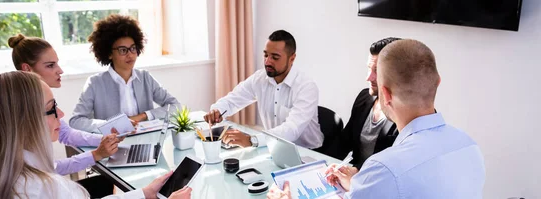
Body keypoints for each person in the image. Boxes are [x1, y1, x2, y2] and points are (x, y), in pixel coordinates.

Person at [268, 39, 485, 199]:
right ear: (437, 82)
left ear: (386, 95)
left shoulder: (385, 168)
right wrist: (358, 183)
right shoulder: (469, 147)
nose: (368, 78)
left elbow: (389, 179)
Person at [0, 71, 191, 199]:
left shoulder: (1, 172)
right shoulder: (42, 188)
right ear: (21, 122)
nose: (61, 114)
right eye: (51, 109)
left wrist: (143, 194)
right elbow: (77, 124)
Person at [8, 34, 123, 197]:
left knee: (104, 182)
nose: (59, 70)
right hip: (47, 188)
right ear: (27, 69)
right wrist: (96, 154)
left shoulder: (42, 103)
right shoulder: (26, 115)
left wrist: (105, 141)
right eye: (50, 65)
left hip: (50, 185)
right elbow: (51, 168)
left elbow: (66, 133)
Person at [204, 30, 323, 149]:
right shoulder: (259, 79)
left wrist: (252, 140)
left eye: (275, 57)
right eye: (266, 55)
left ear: (292, 58)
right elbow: (233, 99)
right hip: (274, 147)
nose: (267, 61)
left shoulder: (306, 87)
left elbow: (292, 129)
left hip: (309, 152)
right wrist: (217, 110)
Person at [70, 14, 180, 132]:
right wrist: (113, 125)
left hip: (146, 143)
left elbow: (175, 106)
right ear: (109, 54)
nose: (130, 54)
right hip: (112, 146)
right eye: (123, 50)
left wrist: (144, 116)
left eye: (133, 48)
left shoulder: (145, 77)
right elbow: (75, 121)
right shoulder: (95, 83)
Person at [332, 37, 401, 169]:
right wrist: (322, 165)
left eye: (377, 71)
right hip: (353, 178)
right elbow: (343, 142)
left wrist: (356, 172)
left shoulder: (404, 114)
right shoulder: (364, 98)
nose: (368, 77)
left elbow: (391, 165)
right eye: (369, 69)